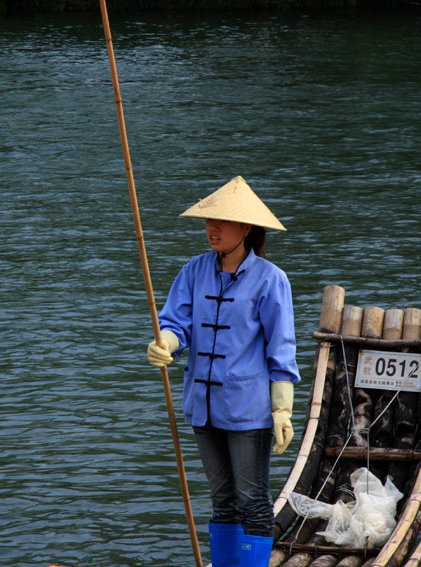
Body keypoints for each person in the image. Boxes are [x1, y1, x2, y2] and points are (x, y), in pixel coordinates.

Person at [146, 176, 300, 567]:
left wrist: (282, 409)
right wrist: (165, 343)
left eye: (223, 222)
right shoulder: (194, 271)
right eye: (208, 221)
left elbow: (280, 349)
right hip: (202, 403)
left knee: (252, 499)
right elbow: (176, 323)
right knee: (222, 499)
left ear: (246, 228)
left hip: (248, 408)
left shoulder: (271, 279)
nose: (212, 229)